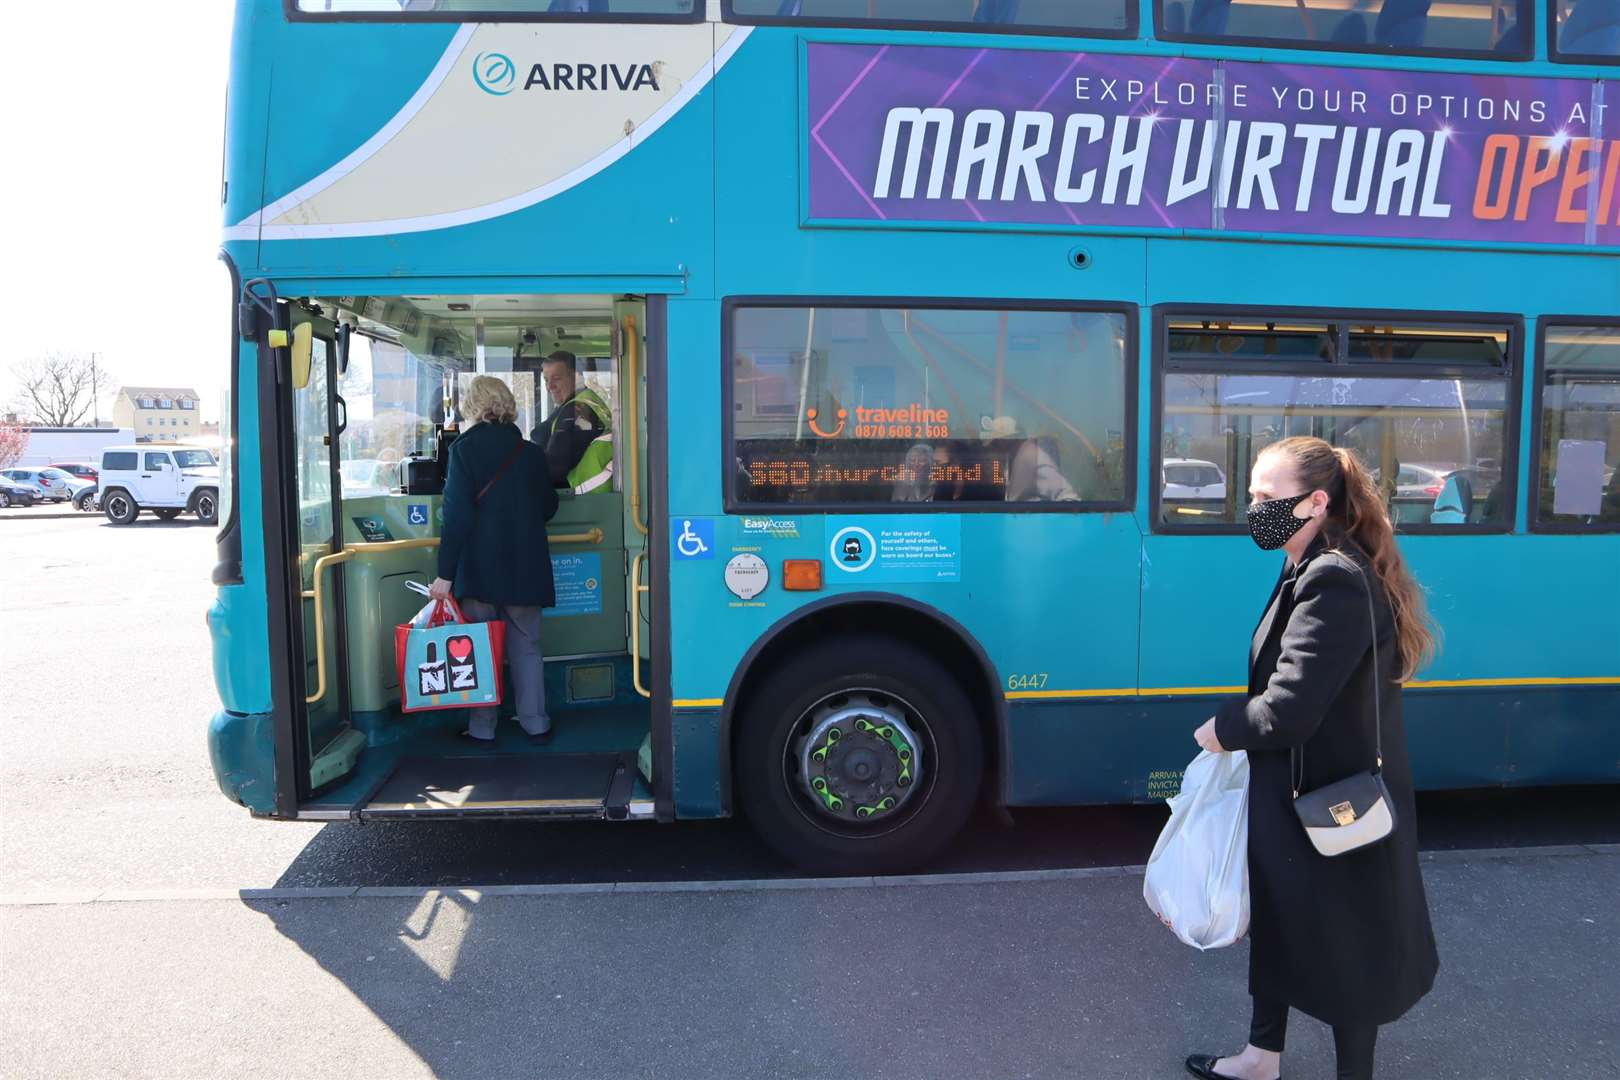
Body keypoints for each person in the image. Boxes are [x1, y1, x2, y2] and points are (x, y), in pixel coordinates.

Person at [1187, 436, 1439, 1080]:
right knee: (1280, 921)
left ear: (1316, 500)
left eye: (1266, 497)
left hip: (1332, 803)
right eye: (1251, 496)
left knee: (1346, 949)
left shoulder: (1334, 578)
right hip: (1298, 791)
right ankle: (1259, 1057)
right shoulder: (1306, 562)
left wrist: (1221, 729)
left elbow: (1289, 707)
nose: (1253, 508)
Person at [430, 376, 560, 743]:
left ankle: (483, 728)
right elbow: (548, 506)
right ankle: (535, 722)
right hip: (525, 567)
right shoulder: (531, 452)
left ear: (472, 406)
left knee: (479, 648)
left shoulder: (463, 451)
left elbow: (456, 518)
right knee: (527, 646)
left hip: (481, 570)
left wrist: (444, 575)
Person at [530, 351, 612, 490]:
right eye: (546, 380)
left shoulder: (576, 410)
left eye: (556, 378)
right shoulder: (589, 401)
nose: (550, 386)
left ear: (576, 377)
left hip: (581, 499)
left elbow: (555, 467)